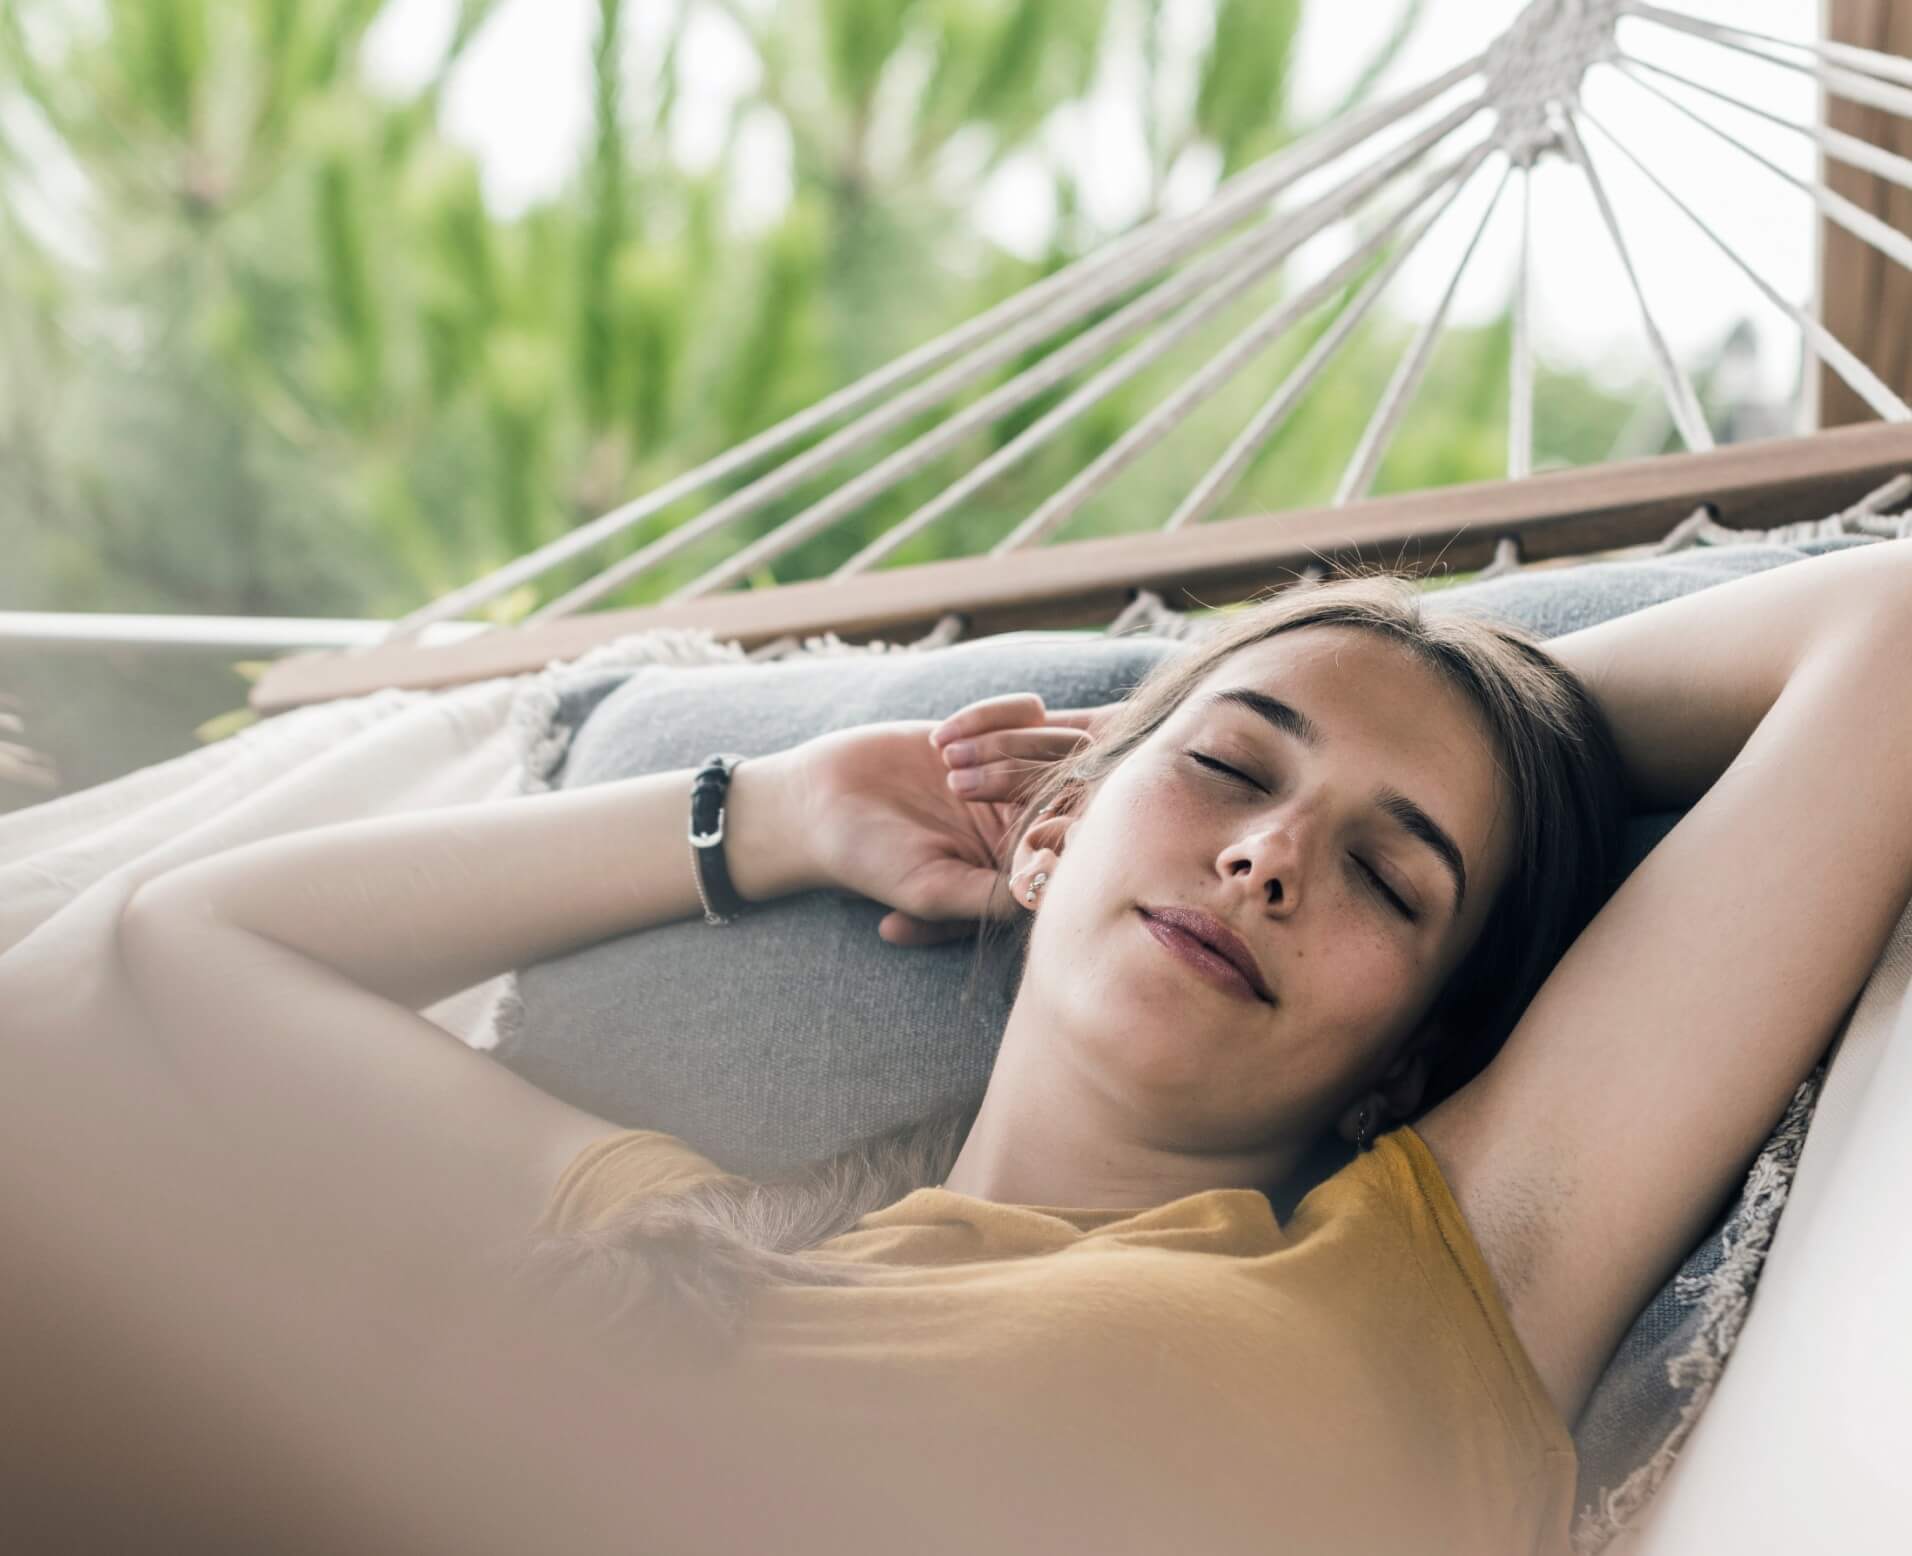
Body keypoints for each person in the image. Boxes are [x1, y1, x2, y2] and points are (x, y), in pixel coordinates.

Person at [38, 543, 1912, 1555]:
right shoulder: (682, 1252)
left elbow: (1890, 638)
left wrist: (1423, 677)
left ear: (1410, 1064)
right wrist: (758, 815)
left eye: (1390, 880)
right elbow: (190, 937)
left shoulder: (1437, 1285)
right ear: (1045, 833)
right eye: (1229, 772)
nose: (1268, 856)